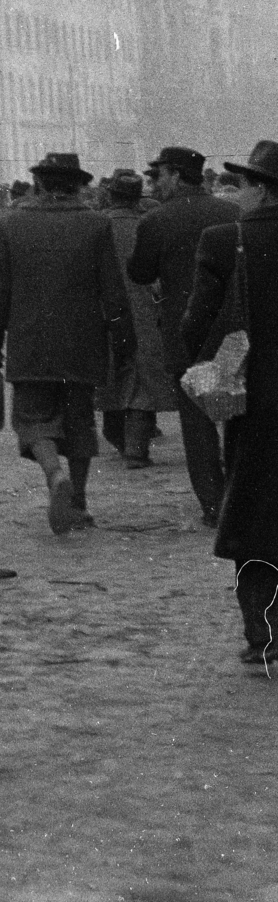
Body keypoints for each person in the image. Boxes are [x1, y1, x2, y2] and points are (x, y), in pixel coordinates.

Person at [0, 153, 135, 535]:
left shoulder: (12, 225)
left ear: (39, 184)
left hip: (30, 342)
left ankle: (54, 474)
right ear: (77, 186)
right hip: (83, 344)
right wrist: (124, 339)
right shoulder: (96, 225)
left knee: (32, 420)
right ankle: (78, 503)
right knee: (79, 421)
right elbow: (113, 291)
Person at [182, 140, 278, 667]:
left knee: (255, 515)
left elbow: (194, 324)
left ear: (261, 189)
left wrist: (206, 367)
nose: (234, 195)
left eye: (241, 184)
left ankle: (261, 633)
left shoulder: (225, 240)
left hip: (254, 401)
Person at [128, 145, 240, 523]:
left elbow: (140, 273)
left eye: (158, 175)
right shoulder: (233, 212)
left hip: (183, 333)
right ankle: (245, 497)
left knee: (197, 423)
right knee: (239, 417)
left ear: (175, 175)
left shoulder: (157, 220)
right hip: (232, 334)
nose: (154, 183)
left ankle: (214, 504)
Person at [96, 171, 176, 466]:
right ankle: (136, 448)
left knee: (110, 373)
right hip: (144, 309)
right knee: (141, 378)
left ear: (111, 195)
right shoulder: (148, 224)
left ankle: (117, 438)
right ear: (136, 198)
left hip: (103, 310)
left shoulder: (95, 224)